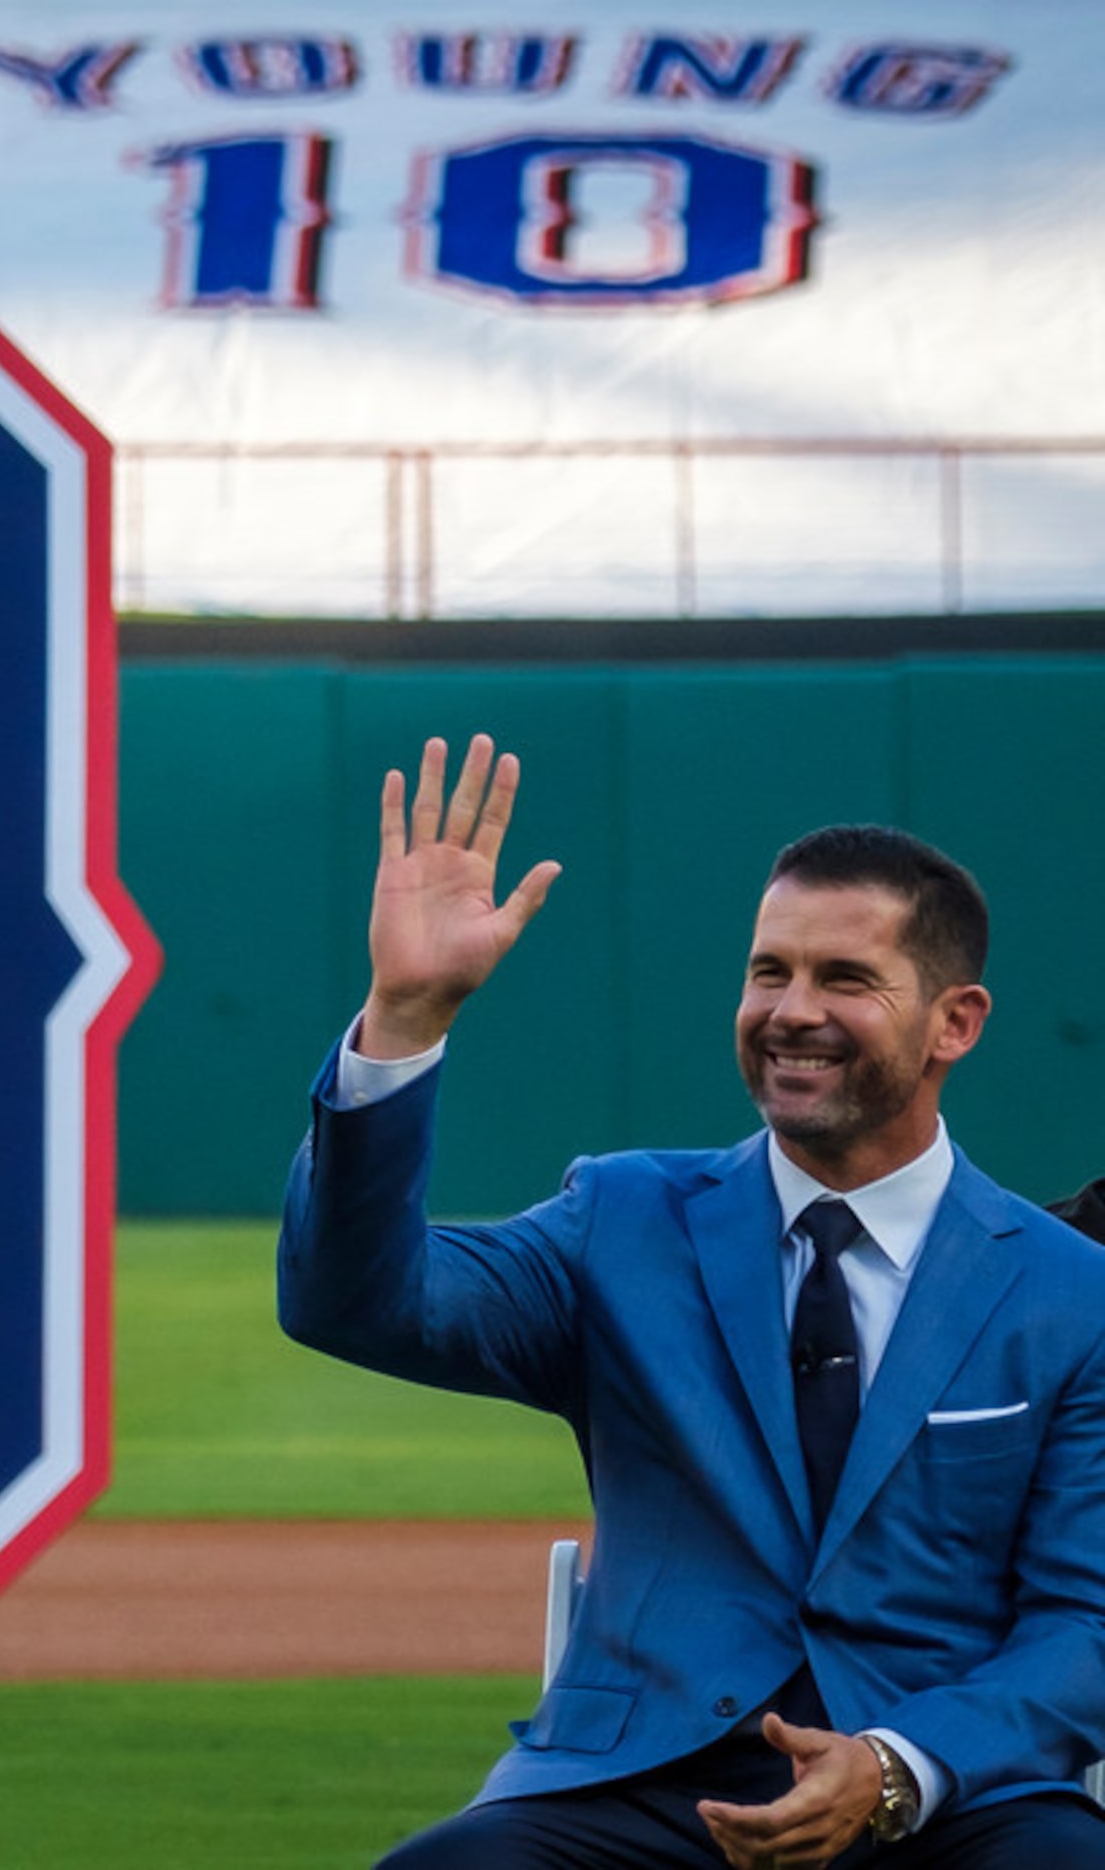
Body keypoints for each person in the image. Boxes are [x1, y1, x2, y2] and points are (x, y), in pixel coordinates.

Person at [278, 734, 1105, 1869]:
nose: (791, 1010)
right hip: (643, 1792)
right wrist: (405, 1021)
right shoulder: (619, 1222)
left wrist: (893, 1764)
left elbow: (1084, 1623)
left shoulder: (1070, 1292)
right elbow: (357, 1304)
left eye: (845, 979)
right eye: (770, 971)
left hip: (946, 1797)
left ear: (953, 1024)